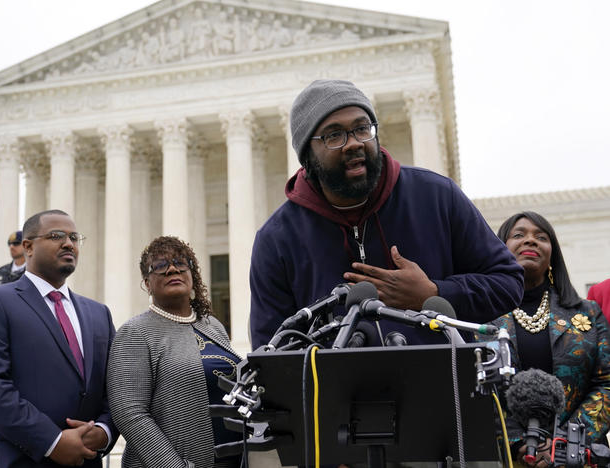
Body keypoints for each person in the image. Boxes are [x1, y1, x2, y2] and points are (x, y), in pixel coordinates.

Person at [249, 79, 524, 348]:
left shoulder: (437, 195)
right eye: (334, 135)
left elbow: (508, 282)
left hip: (441, 387)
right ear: (308, 154)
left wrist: (434, 293)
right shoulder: (277, 239)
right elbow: (270, 350)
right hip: (335, 393)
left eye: (362, 128)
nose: (354, 143)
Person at [0, 209, 118, 467]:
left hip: (85, 460)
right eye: (56, 236)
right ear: (28, 247)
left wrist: (103, 431)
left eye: (74, 237)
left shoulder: (98, 313)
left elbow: (115, 388)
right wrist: (52, 442)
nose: (69, 243)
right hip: (14, 460)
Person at [108, 236, 242, 468]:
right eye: (160, 266)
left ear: (192, 274)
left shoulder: (212, 325)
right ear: (147, 283)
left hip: (233, 459)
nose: (172, 269)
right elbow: (129, 413)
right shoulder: (135, 332)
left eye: (181, 263)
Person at [493, 211, 610, 464]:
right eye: (519, 235)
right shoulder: (482, 317)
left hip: (580, 456)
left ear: (552, 254)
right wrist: (520, 443)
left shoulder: (588, 313)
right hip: (509, 458)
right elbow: (475, 391)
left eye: (541, 237)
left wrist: (564, 443)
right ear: (500, 249)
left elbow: (606, 384)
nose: (530, 240)